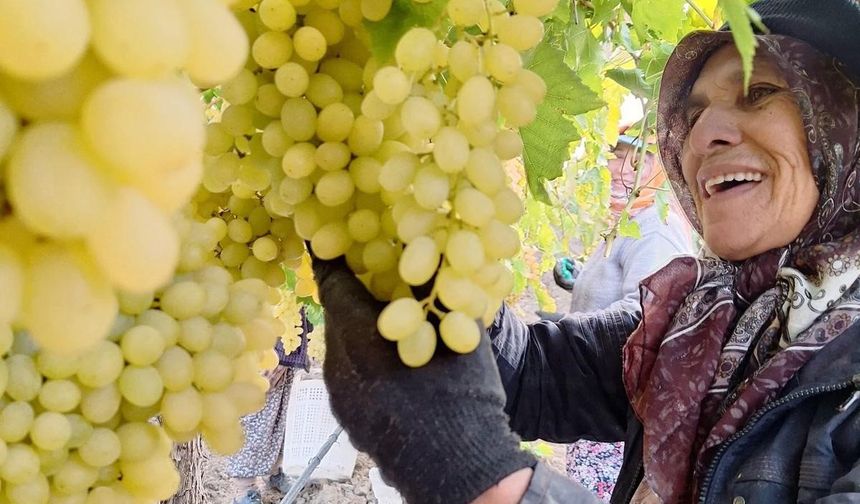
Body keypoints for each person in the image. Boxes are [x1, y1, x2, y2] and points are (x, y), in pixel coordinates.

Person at [310, 0, 860, 502]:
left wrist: (491, 483)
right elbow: (532, 376)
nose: (700, 137)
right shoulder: (693, 323)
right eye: (691, 116)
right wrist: (433, 282)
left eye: (758, 93)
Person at [557, 136, 694, 499]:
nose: (620, 170)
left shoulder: (656, 230)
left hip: (612, 420)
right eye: (615, 157)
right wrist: (577, 282)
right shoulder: (630, 221)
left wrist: (559, 337)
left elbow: (647, 317)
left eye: (637, 161)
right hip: (592, 401)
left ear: (659, 170)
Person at [227, 308, 311, 504]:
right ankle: (245, 490)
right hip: (262, 348)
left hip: (285, 344)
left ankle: (275, 472)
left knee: (280, 418)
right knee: (253, 419)